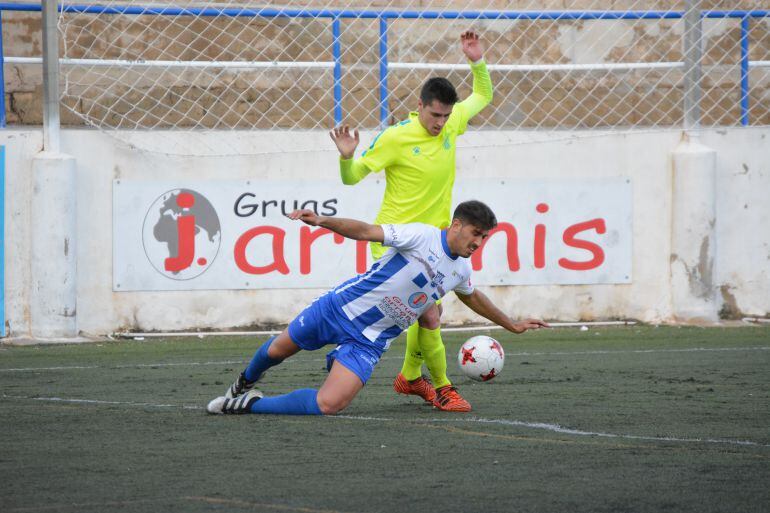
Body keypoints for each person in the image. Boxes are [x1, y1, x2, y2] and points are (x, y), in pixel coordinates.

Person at [207, 201, 547, 416]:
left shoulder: (461, 270)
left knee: (331, 405)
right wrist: (323, 221)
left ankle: (248, 404)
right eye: (476, 234)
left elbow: (472, 296)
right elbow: (368, 231)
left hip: (368, 341)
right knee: (278, 349)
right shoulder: (421, 236)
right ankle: (245, 381)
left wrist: (511, 324)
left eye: (484, 238)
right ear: (456, 225)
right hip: (339, 308)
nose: (478, 242)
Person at [327, 29, 494, 412]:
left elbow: (482, 95)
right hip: (397, 241)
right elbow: (351, 179)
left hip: (436, 240)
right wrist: (346, 157)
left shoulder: (451, 125)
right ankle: (443, 387)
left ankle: (411, 378)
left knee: (427, 311)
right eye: (435, 115)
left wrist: (476, 60)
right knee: (427, 311)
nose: (441, 123)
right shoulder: (394, 138)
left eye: (446, 116)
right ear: (419, 106)